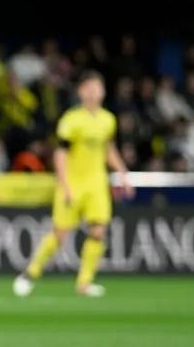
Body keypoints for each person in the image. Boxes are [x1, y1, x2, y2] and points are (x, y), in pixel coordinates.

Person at [13, 70, 134, 298]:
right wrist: (65, 185)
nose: (94, 92)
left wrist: (123, 174)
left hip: (97, 185)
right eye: (90, 88)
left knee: (98, 231)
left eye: (98, 88)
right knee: (59, 235)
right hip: (73, 184)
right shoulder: (71, 120)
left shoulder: (108, 119)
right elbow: (60, 155)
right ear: (81, 92)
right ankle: (30, 273)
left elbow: (108, 149)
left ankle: (84, 283)